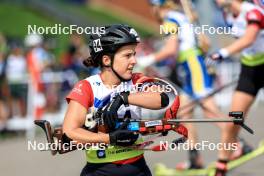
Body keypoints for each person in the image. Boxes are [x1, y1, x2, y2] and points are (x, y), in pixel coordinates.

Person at [63, 24, 171, 176]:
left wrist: (124, 98)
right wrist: (109, 138)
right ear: (107, 60)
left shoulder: (137, 80)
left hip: (138, 168)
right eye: (127, 56)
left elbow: (161, 98)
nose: (134, 60)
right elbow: (70, 131)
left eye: (134, 54)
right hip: (99, 170)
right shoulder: (87, 86)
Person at [137, 0, 225, 169]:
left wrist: (149, 59)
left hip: (192, 64)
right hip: (189, 65)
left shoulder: (170, 20)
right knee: (184, 112)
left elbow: (171, 49)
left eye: (151, 7)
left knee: (210, 111)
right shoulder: (179, 15)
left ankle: (238, 144)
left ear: (157, 7)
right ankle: (194, 158)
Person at [207, 0, 264, 175]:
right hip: (249, 71)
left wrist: (223, 53)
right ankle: (221, 164)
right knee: (234, 119)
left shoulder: (252, 11)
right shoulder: (228, 15)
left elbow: (249, 38)